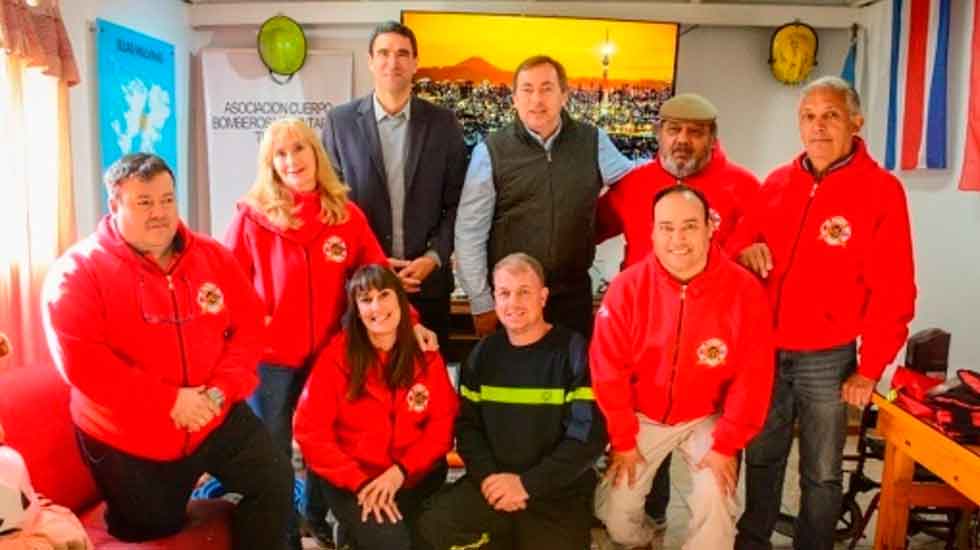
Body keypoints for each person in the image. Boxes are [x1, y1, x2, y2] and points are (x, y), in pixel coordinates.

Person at [41, 153, 292, 549]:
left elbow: (248, 328)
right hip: (129, 432)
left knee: (276, 483)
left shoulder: (212, 257)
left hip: (214, 411)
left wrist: (218, 392)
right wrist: (169, 402)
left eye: (167, 199)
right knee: (153, 526)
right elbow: (84, 366)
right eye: (144, 202)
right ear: (115, 205)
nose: (159, 212)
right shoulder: (77, 272)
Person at [223, 117, 436, 548]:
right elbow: (227, 284)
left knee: (328, 446)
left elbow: (377, 280)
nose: (291, 160)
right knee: (274, 455)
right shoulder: (252, 217)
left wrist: (413, 324)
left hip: (329, 355)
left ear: (315, 154)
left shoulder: (346, 215)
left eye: (299, 149)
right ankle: (284, 537)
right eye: (280, 154)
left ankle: (317, 520)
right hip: (270, 360)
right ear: (270, 164)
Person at [733, 76, 916, 550]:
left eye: (831, 115)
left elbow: (895, 290)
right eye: (809, 116)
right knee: (762, 458)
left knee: (821, 472)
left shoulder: (881, 191)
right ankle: (751, 542)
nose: (818, 126)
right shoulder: (776, 182)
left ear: (855, 122)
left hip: (827, 359)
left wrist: (871, 367)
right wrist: (747, 248)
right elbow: (734, 246)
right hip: (766, 352)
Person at [595, 92, 761, 530]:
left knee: (715, 491)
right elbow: (586, 230)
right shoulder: (631, 187)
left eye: (695, 131)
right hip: (645, 379)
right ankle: (646, 528)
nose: (683, 139)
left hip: (710, 395)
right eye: (674, 129)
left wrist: (726, 443)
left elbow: (754, 370)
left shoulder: (744, 188)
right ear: (659, 134)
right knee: (622, 504)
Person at [590, 185, 774, 549]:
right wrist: (623, 440)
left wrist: (726, 445)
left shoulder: (744, 291)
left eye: (690, 226)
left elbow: (753, 377)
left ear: (710, 227)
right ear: (653, 232)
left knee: (715, 500)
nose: (678, 238)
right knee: (616, 515)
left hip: (707, 415)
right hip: (642, 415)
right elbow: (608, 370)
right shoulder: (627, 288)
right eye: (666, 227)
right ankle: (645, 538)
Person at [417, 253, 607, 550]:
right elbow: (467, 429)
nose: (513, 303)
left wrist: (527, 484)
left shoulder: (573, 352)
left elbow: (587, 438)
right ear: (494, 297)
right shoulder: (482, 355)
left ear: (543, 297)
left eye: (524, 292)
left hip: (553, 492)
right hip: (492, 485)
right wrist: (490, 478)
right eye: (504, 293)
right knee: (433, 525)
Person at [454, 55, 635, 339]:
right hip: (513, 300)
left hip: (571, 296)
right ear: (514, 98)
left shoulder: (593, 141)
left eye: (547, 88)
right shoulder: (490, 151)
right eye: (527, 90)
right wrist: (481, 303)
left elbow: (634, 184)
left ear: (564, 95)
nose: (536, 99)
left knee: (573, 381)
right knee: (513, 381)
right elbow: (469, 232)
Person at [322, 21, 466, 349]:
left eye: (403, 54)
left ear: (415, 63)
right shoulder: (340, 122)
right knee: (366, 389)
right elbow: (332, 203)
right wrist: (371, 260)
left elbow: (458, 202)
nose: (393, 62)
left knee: (426, 386)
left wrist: (434, 257)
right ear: (370, 61)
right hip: (364, 288)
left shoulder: (444, 123)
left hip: (427, 285)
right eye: (384, 53)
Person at [293, 264, 458, 550]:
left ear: (400, 301)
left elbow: (442, 425)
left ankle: (353, 535)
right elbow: (310, 432)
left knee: (428, 539)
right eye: (366, 299)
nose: (377, 307)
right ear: (356, 309)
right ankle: (354, 529)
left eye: (384, 295)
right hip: (356, 482)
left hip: (411, 477)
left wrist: (400, 472)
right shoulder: (334, 359)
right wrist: (358, 482)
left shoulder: (426, 356)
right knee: (392, 543)